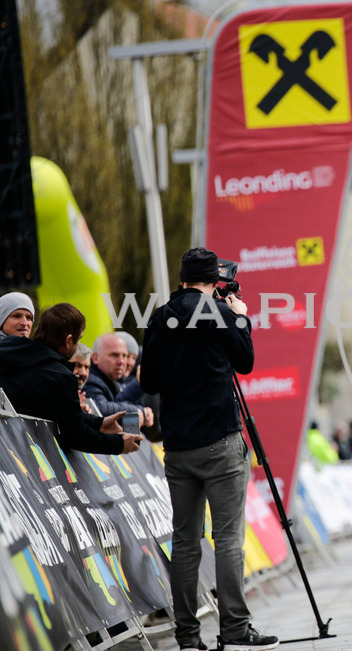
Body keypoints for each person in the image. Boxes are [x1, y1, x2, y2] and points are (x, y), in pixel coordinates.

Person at [140, 247, 278, 651]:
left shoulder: (160, 318)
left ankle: (186, 636)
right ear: (215, 280)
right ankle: (234, 627)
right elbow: (246, 363)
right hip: (220, 439)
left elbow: (148, 381)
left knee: (184, 542)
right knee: (229, 538)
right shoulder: (220, 314)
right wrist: (240, 317)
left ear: (182, 278)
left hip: (179, 446)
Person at [0, 303, 141, 455]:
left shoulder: (9, 348)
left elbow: (62, 411)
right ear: (68, 341)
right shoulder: (60, 376)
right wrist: (119, 444)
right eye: (78, 339)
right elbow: (76, 435)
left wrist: (99, 422)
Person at [83, 333, 154, 426]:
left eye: (124, 356)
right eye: (114, 355)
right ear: (95, 358)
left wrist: (139, 384)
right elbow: (99, 408)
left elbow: (116, 402)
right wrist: (137, 411)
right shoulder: (89, 379)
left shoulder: (109, 379)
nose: (122, 362)